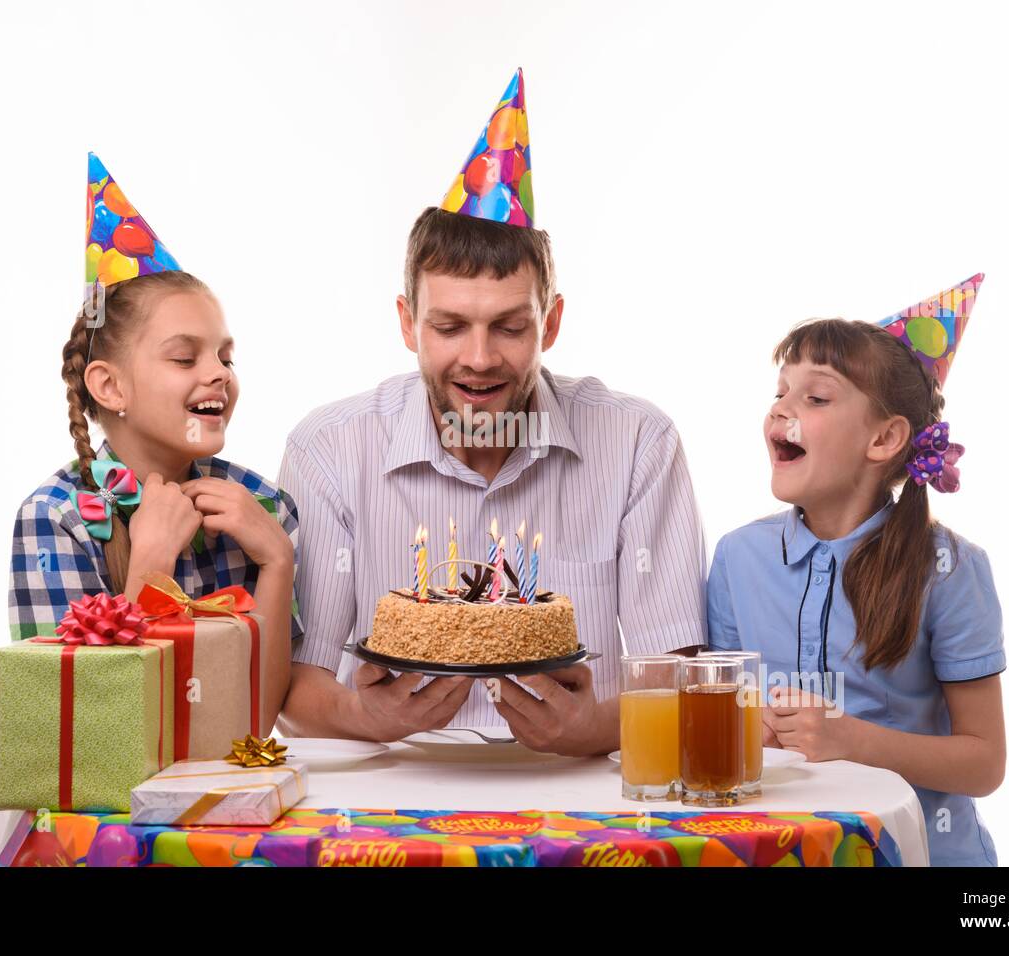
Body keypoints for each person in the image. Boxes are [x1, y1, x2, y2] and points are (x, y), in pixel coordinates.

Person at [277, 70, 706, 756]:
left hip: (578, 799)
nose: (479, 359)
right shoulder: (329, 449)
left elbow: (680, 680)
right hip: (396, 803)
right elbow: (296, 690)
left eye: (509, 327)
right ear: (408, 323)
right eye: (449, 327)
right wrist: (369, 717)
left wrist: (591, 727)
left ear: (552, 322)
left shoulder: (637, 442)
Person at [706, 275, 1006, 865]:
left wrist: (852, 741)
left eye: (816, 398)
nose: (782, 409)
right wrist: (756, 730)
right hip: (786, 849)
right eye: (781, 392)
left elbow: (984, 762)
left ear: (885, 437)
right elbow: (726, 718)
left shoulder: (949, 569)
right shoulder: (738, 558)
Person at [9, 153, 300, 730]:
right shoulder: (57, 519)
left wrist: (276, 561)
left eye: (226, 355)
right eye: (185, 357)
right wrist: (150, 565)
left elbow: (254, 724)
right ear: (110, 385)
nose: (218, 372)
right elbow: (91, 730)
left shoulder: (265, 509)